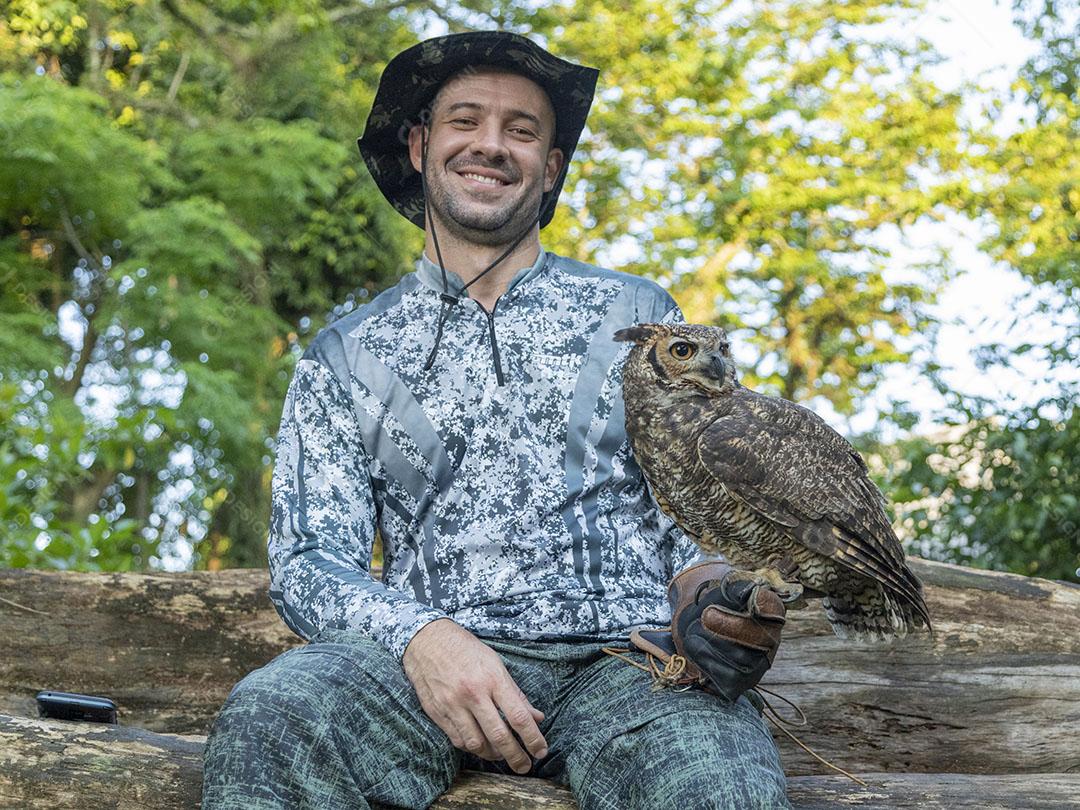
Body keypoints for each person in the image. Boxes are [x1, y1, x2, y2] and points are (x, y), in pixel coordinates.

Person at [201, 31, 791, 810]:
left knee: (717, 781)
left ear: (549, 168)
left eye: (521, 130)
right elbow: (310, 559)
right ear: (419, 146)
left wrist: (713, 592)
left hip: (632, 668)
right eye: (465, 120)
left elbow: (703, 512)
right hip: (421, 673)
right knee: (277, 716)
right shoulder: (347, 353)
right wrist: (422, 637)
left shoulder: (642, 317)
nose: (491, 144)